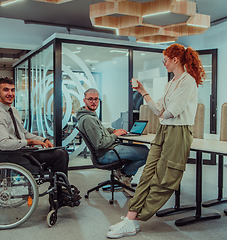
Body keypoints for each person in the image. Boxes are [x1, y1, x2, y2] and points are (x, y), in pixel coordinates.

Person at [106, 43, 205, 238]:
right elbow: (160, 111)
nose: (164, 63)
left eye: (165, 60)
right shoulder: (171, 84)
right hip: (164, 130)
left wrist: (161, 112)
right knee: (148, 174)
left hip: (178, 132)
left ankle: (135, 217)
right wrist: (143, 91)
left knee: (165, 178)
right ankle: (131, 218)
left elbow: (167, 112)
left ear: (175, 59)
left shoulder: (188, 82)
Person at [0, 77, 76, 205]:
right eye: (6, 90)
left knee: (60, 151)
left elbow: (23, 133)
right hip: (13, 155)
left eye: (12, 90)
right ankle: (59, 195)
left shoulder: (13, 111)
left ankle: (60, 191)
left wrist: (43, 139)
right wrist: (30, 142)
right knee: (60, 155)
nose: (10, 93)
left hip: (21, 151)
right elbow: (3, 144)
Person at [76, 88, 149, 197]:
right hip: (105, 154)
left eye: (96, 99)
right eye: (90, 99)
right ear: (84, 100)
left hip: (109, 150)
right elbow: (99, 144)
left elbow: (100, 131)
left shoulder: (90, 115)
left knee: (142, 149)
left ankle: (122, 174)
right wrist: (116, 135)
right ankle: (125, 175)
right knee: (145, 152)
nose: (93, 101)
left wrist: (112, 131)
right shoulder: (88, 119)